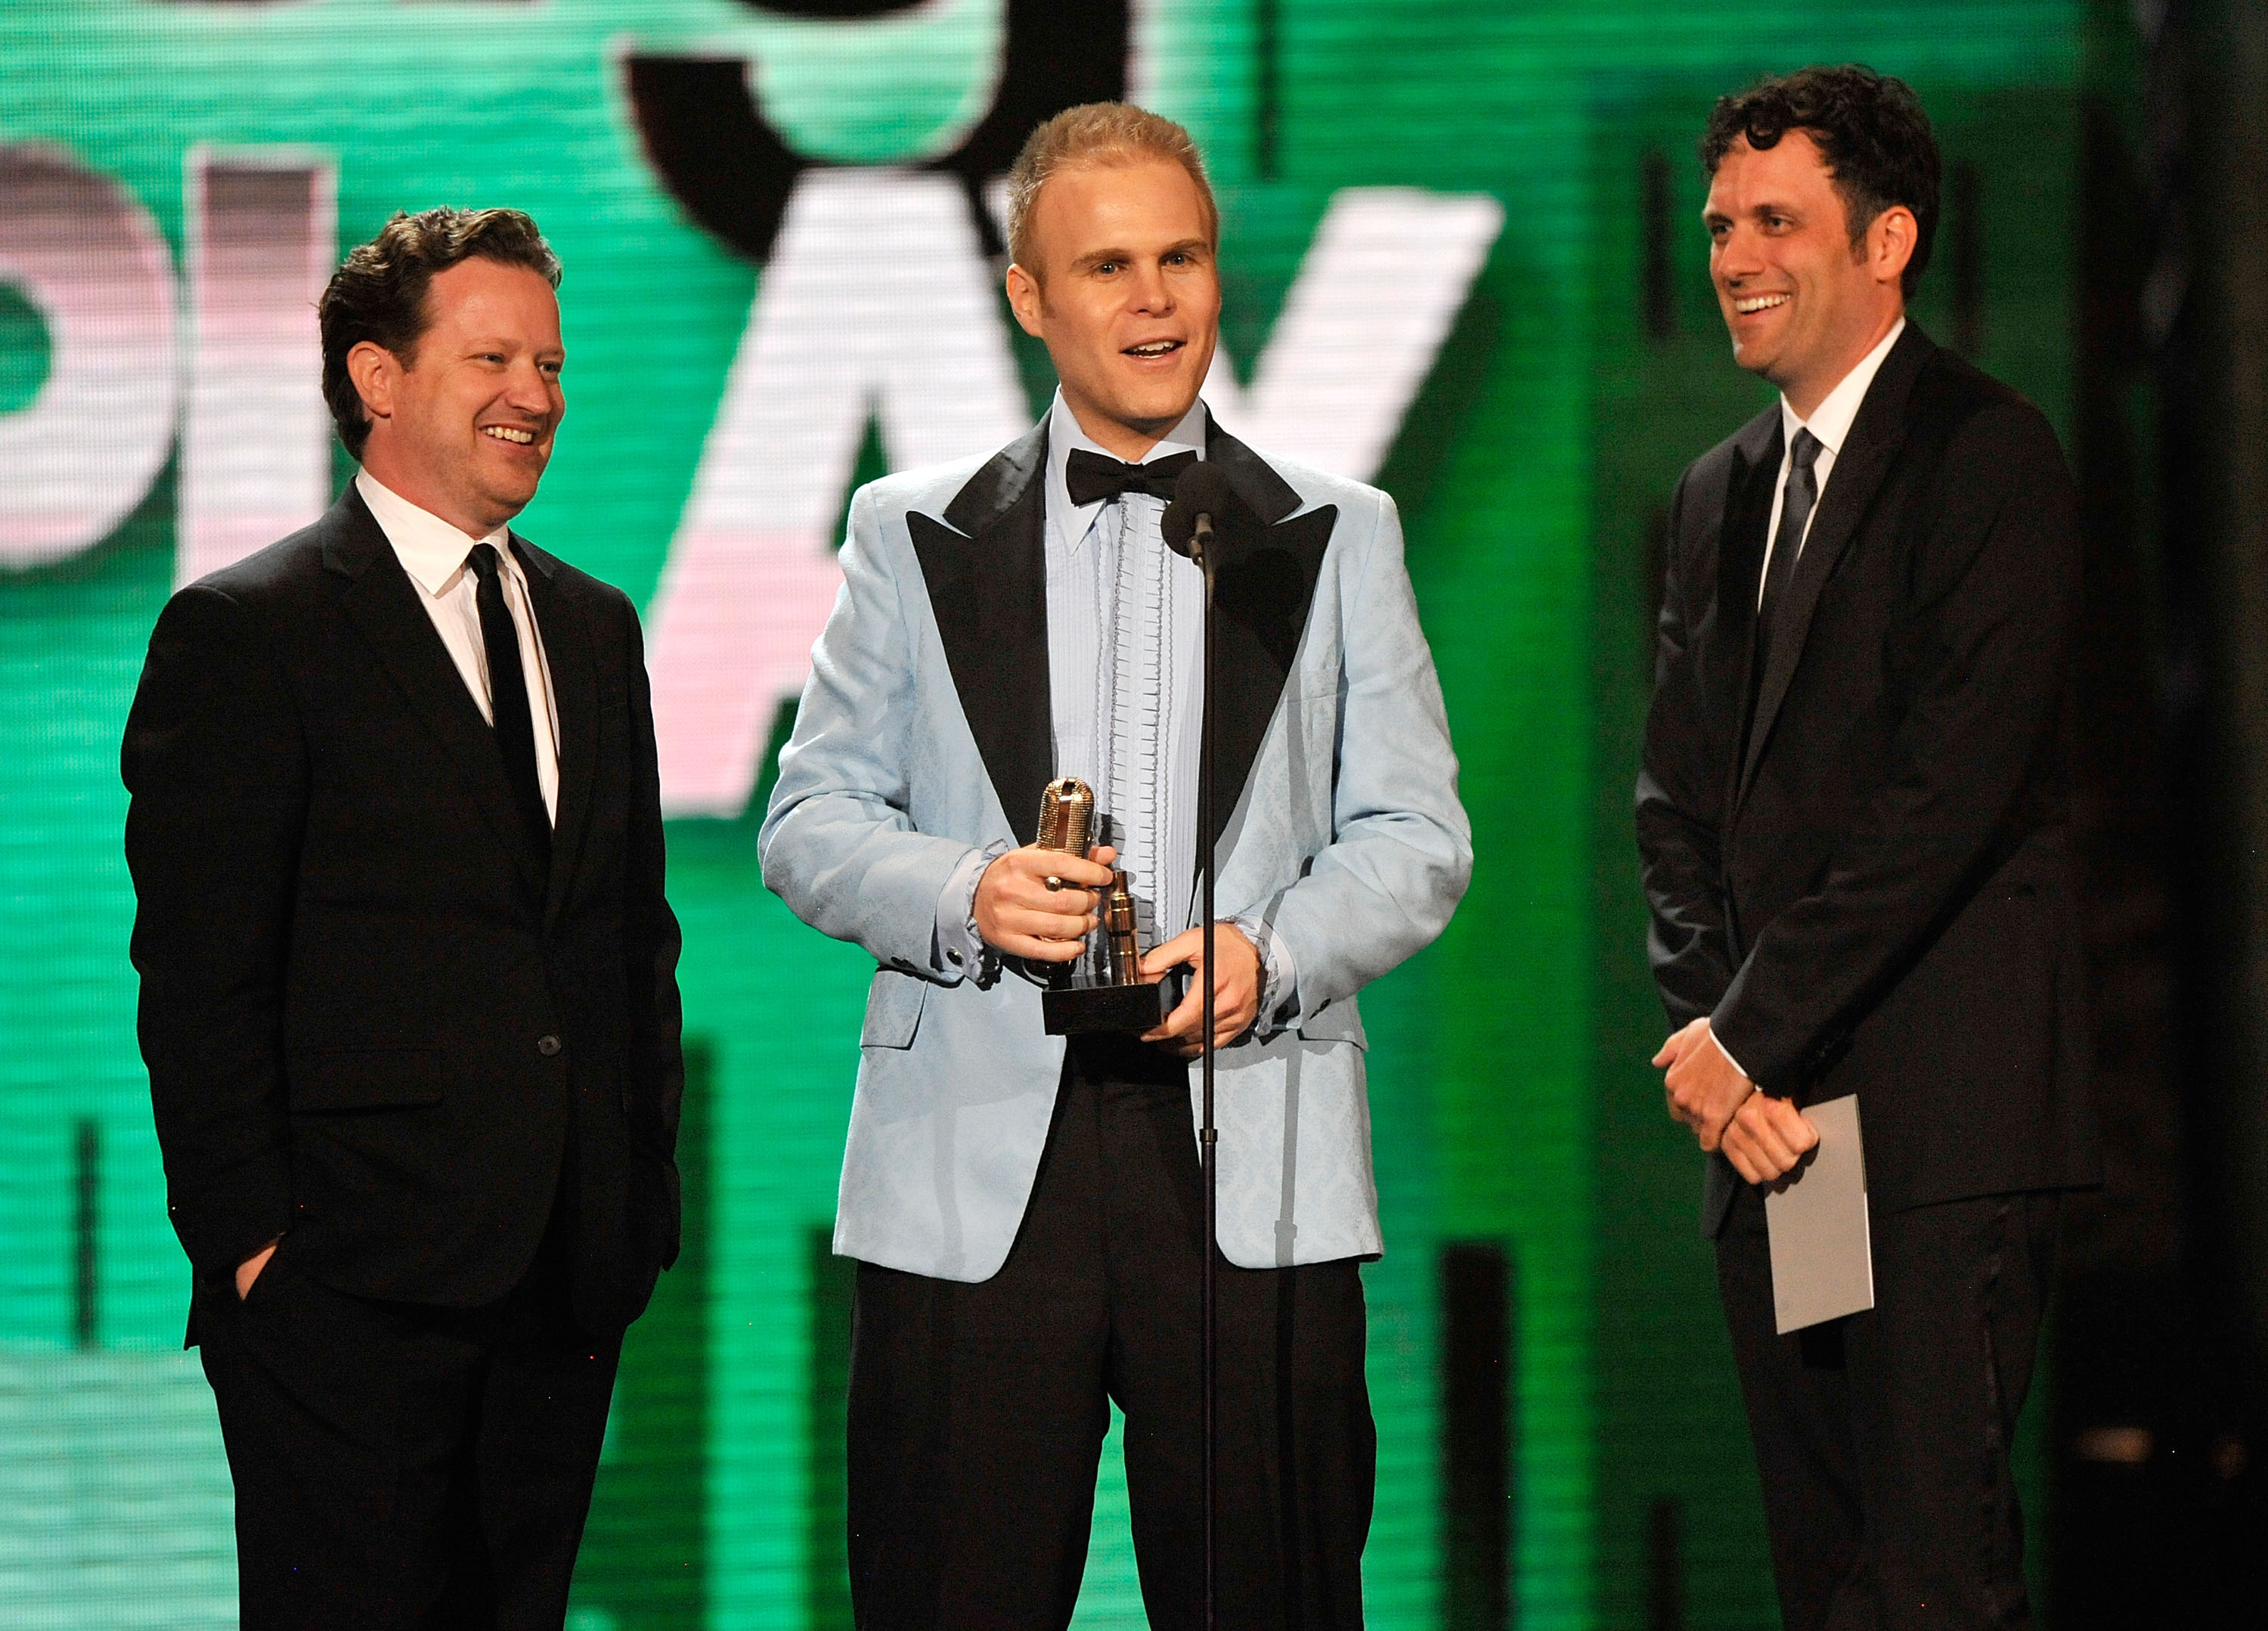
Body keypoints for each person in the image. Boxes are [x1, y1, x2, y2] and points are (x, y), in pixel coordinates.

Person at [761, 103, 1470, 1628]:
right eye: (1109, 265)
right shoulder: (908, 529)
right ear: (1032, 296)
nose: (1154, 299)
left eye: (1183, 258)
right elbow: (808, 819)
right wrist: (967, 894)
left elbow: (1418, 837)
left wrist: (1269, 955)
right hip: (973, 1150)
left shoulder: (1341, 533)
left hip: (1249, 1150)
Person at [123, 207, 683, 1630]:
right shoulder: (251, 631)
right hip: (342, 1303)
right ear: (377, 379)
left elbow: (630, 945)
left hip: (562, 1294)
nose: (538, 396)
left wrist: (636, 1210)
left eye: (552, 364)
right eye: (494, 357)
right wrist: (255, 1252)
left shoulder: (596, 628)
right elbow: (200, 980)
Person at [1637, 67, 2099, 1630]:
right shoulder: (1716, 496)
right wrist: (1723, 1051)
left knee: (1934, 1568)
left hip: (1936, 1134)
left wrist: (1743, 1037)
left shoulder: (1990, 458)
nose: (1734, 256)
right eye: (1719, 225)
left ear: (1887, 238)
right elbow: (1678, 808)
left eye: (1778, 220)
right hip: (1787, 1140)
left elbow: (1941, 806)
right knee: (1831, 1569)